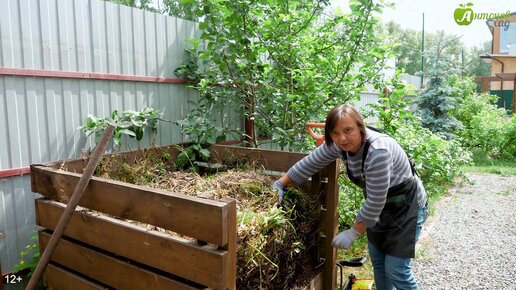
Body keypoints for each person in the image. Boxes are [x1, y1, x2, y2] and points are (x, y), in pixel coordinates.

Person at [272, 104, 428, 290]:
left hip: (406, 206)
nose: (342, 138)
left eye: (348, 130)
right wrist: (282, 183)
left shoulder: (378, 151)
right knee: (379, 264)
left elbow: (376, 200)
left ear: (360, 127)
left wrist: (354, 232)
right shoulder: (341, 145)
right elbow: (311, 162)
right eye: (335, 133)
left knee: (396, 269)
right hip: (380, 210)